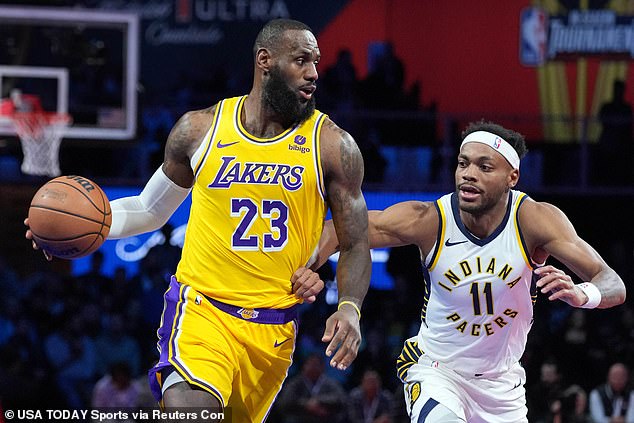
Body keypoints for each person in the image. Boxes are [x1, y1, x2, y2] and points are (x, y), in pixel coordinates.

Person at [27, 18, 371, 421]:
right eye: (300, 61)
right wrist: (82, 227)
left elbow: (355, 243)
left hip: (274, 331)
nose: (313, 73)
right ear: (265, 61)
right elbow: (149, 209)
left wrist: (349, 307)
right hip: (201, 311)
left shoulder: (333, 145)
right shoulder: (199, 129)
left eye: (315, 62)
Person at [312, 120, 626, 422]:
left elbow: (613, 283)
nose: (468, 175)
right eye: (463, 164)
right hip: (438, 372)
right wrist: (308, 266)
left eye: (484, 167)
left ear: (512, 177)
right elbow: (341, 229)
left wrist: (582, 293)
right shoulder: (431, 221)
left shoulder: (533, 220)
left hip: (503, 386)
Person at [275, 353, 348, 423]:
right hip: (299, 418)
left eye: (316, 364)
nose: (313, 367)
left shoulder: (329, 383)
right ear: (304, 366)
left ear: (322, 367)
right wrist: (306, 404)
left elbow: (341, 398)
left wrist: (319, 401)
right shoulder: (295, 383)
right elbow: (284, 401)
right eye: (310, 364)